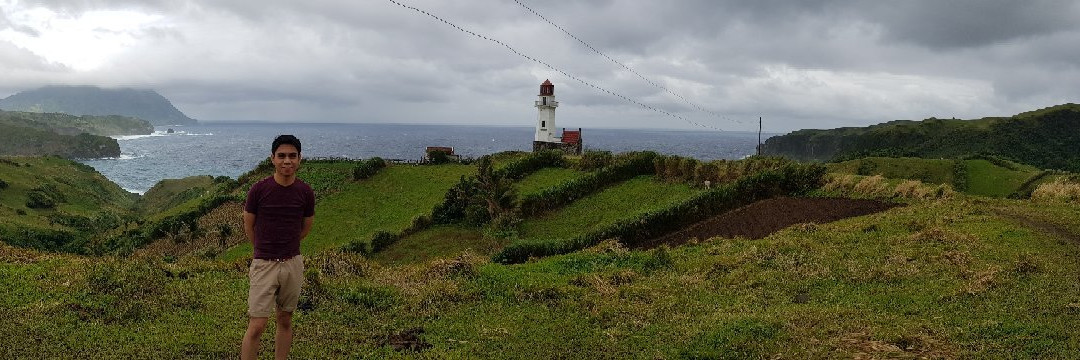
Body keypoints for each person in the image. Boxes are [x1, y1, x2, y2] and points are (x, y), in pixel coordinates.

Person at [241, 135, 315, 360]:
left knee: (285, 319)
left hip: (292, 263)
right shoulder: (259, 190)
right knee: (257, 324)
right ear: (272, 159)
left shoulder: (305, 192)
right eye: (281, 156)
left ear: (300, 159)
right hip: (265, 263)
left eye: (292, 156)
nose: (287, 161)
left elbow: (305, 227)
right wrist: (265, 249)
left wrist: (287, 247)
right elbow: (249, 226)